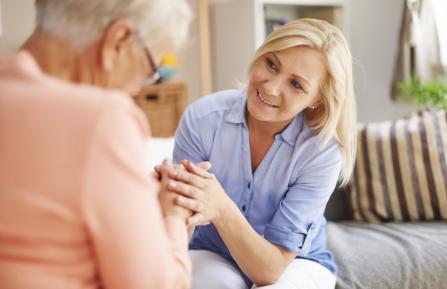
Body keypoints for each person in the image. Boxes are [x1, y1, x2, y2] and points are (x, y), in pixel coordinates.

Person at [0, 1, 193, 289]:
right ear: (118, 41)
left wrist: (134, 198)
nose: (140, 87)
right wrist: (174, 218)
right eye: (150, 68)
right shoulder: (103, 119)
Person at [158, 18, 357, 289]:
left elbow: (270, 271)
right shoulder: (203, 118)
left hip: (296, 263)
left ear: (317, 100)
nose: (271, 87)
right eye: (272, 64)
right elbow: (180, 228)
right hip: (212, 252)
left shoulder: (321, 152)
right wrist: (165, 204)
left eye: (296, 84)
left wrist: (220, 207)